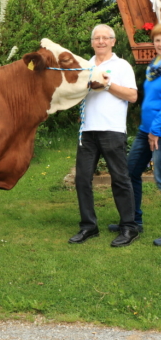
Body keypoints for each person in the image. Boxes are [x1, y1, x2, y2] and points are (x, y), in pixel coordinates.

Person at [69, 24, 139, 247]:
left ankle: (129, 227)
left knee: (120, 179)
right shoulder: (85, 66)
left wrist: (107, 85)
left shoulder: (121, 65)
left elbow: (132, 96)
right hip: (87, 131)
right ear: (92, 43)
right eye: (96, 38)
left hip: (112, 130)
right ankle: (89, 226)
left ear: (113, 41)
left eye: (105, 38)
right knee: (82, 180)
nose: (100, 41)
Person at [110, 23, 161, 245]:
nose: (159, 43)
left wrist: (155, 131)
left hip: (157, 132)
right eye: (157, 39)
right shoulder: (154, 65)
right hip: (145, 131)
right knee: (131, 172)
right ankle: (133, 221)